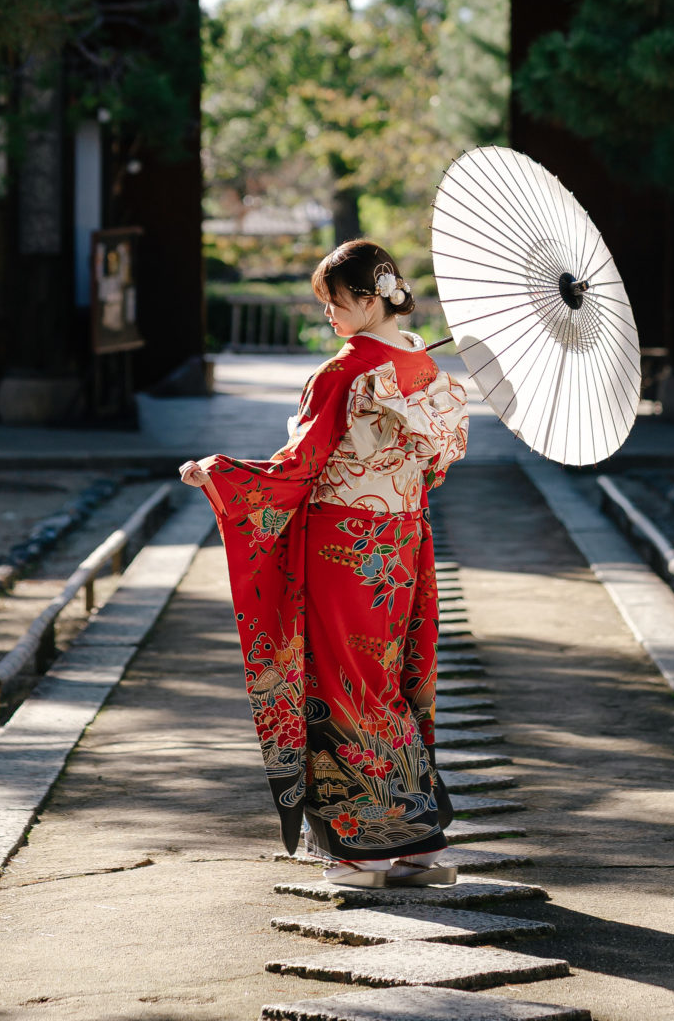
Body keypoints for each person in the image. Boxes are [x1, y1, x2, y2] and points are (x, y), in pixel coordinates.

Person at [181, 237, 469, 887]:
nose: (330, 319)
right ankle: (416, 841)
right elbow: (435, 468)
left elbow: (300, 466)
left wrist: (220, 475)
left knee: (339, 684)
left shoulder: (344, 372)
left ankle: (358, 850)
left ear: (370, 299)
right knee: (387, 682)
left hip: (342, 546)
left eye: (335, 305)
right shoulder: (420, 366)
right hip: (400, 542)